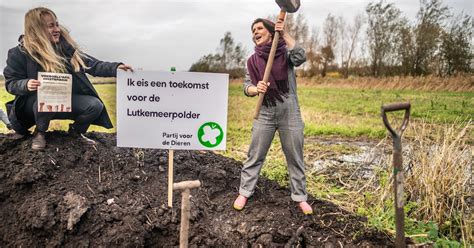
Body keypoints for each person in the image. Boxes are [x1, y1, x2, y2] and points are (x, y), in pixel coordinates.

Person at [3, 7, 133, 150]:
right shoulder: (19, 53)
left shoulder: (66, 50)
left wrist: (116, 68)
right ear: (36, 30)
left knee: (95, 105)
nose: (57, 29)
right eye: (50, 26)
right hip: (33, 106)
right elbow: (11, 83)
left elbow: (93, 65)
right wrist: (26, 84)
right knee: (47, 99)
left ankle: (76, 133)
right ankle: (40, 133)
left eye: (57, 24)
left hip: (64, 102)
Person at [233, 18, 313, 214]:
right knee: (255, 155)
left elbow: (301, 56)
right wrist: (255, 88)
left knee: (295, 157)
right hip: (265, 113)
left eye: (259, 28)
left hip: (290, 112)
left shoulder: (285, 54)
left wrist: (284, 33)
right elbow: (246, 86)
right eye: (253, 30)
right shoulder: (252, 60)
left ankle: (300, 197)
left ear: (270, 32)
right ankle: (244, 192)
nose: (255, 32)